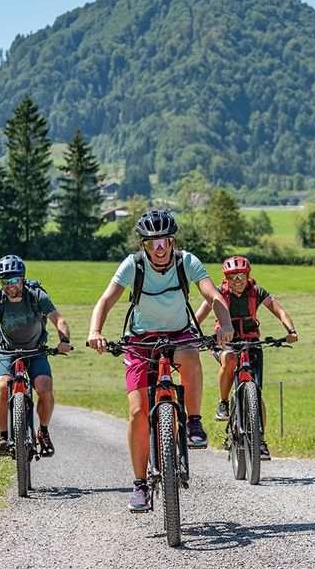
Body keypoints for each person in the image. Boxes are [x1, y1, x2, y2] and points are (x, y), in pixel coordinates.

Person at [86, 209, 233, 513]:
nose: (159, 247)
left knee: (191, 356)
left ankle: (193, 422)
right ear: (144, 245)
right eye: (152, 242)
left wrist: (226, 324)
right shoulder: (133, 265)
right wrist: (95, 331)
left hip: (178, 333)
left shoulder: (186, 262)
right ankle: (140, 485)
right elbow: (106, 300)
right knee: (138, 411)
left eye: (164, 240)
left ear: (172, 240)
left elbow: (213, 295)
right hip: (141, 339)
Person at [0, 255, 72, 458]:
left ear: (22, 278)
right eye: (5, 280)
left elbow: (59, 319)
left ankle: (43, 431)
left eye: (14, 280)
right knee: (3, 386)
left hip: (36, 351)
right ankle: (4, 437)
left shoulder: (37, 296)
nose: (10, 285)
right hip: (7, 353)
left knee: (44, 388)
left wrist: (64, 340)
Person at [194, 255, 299, 461]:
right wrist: (192, 336)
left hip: (251, 343)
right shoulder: (219, 293)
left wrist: (291, 330)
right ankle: (223, 403)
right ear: (226, 278)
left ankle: (260, 440)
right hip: (226, 343)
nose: (237, 280)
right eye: (232, 276)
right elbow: (197, 318)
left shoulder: (257, 292)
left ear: (248, 275)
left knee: (256, 394)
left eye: (241, 275)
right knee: (230, 358)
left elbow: (280, 311)